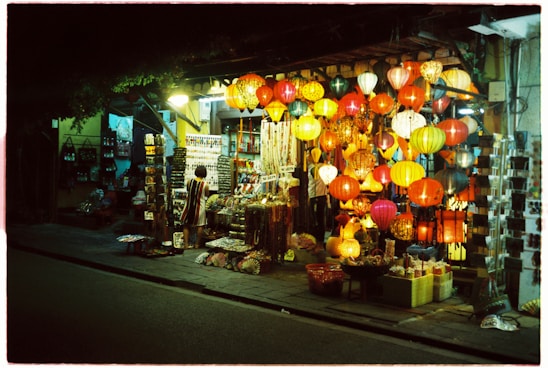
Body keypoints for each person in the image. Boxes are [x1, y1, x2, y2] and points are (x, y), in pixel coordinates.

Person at [180, 165, 209, 249]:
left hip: (189, 206)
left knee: (186, 225)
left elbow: (188, 190)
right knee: (200, 225)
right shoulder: (205, 185)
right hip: (200, 207)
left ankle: (186, 244)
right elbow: (206, 195)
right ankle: (197, 244)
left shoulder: (189, 182)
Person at [308, 159, 328, 248]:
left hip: (316, 196)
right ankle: (319, 241)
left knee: (316, 219)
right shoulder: (323, 167)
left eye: (309, 154)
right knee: (319, 218)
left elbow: (315, 178)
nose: (307, 156)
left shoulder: (315, 167)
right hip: (320, 195)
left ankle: (318, 242)